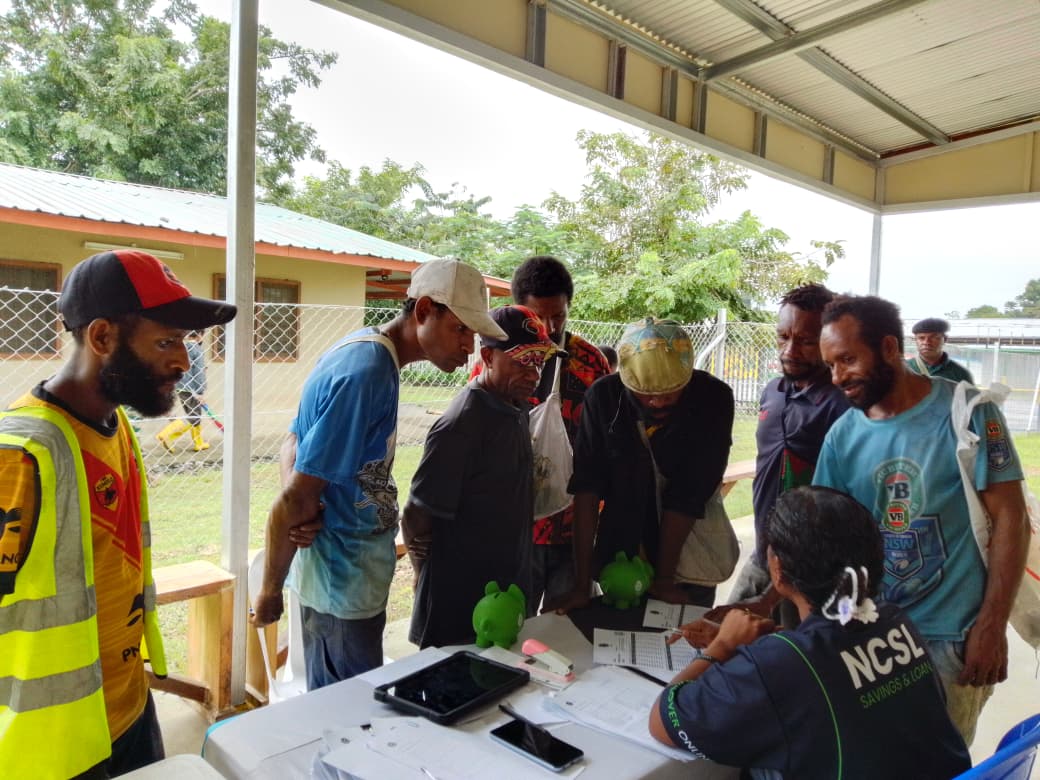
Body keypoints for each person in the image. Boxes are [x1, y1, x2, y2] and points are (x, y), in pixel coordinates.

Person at [0, 249, 236, 778]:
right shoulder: (20, 455)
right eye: (167, 341)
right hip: (54, 747)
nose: (183, 360)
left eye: (186, 342)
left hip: (127, 708)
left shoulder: (116, 426)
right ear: (103, 338)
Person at [251, 258, 505, 689]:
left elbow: (293, 443)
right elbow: (295, 497)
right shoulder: (365, 372)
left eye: (473, 336)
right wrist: (271, 589)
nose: (469, 348)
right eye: (460, 330)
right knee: (346, 716)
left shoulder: (368, 353)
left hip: (353, 576)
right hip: (341, 583)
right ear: (424, 310)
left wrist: (308, 505)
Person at [813, 295, 1028, 745]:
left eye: (848, 360)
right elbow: (830, 537)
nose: (838, 378)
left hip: (952, 638)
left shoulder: (969, 414)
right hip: (870, 634)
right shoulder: (843, 434)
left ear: (889, 348)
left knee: (937, 761)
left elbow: (1011, 519)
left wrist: (991, 625)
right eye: (831, 365)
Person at [649, 486, 971, 779]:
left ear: (777, 570)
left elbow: (663, 720)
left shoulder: (781, 666)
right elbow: (830, 665)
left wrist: (721, 647)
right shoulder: (892, 620)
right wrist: (768, 642)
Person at [549, 317, 734, 612]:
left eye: (670, 393)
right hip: (619, 559)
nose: (658, 403)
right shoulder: (603, 397)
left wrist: (664, 580)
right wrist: (581, 586)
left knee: (681, 649)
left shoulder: (714, 399)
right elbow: (587, 488)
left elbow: (689, 493)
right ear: (626, 380)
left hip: (687, 561)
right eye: (646, 394)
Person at [403, 305, 562, 648]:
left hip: (506, 593)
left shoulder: (515, 406)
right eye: (521, 361)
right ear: (488, 357)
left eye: (539, 361)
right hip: (461, 604)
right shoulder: (462, 424)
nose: (533, 373)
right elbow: (416, 515)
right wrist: (421, 575)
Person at [728, 283, 849, 624]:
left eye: (806, 341)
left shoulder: (841, 404)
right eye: (783, 337)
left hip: (812, 576)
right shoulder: (772, 392)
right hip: (764, 558)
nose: (790, 350)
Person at [156, 329, 212, 452]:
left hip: (180, 386)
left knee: (193, 413)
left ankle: (199, 442)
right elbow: (199, 373)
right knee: (194, 416)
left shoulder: (180, 347)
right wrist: (200, 392)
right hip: (192, 388)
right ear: (200, 335)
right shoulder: (196, 349)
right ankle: (167, 434)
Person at [906, 317, 974, 383]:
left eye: (933, 337)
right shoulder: (903, 369)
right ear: (915, 340)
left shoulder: (961, 374)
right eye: (921, 338)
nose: (926, 342)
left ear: (945, 339)